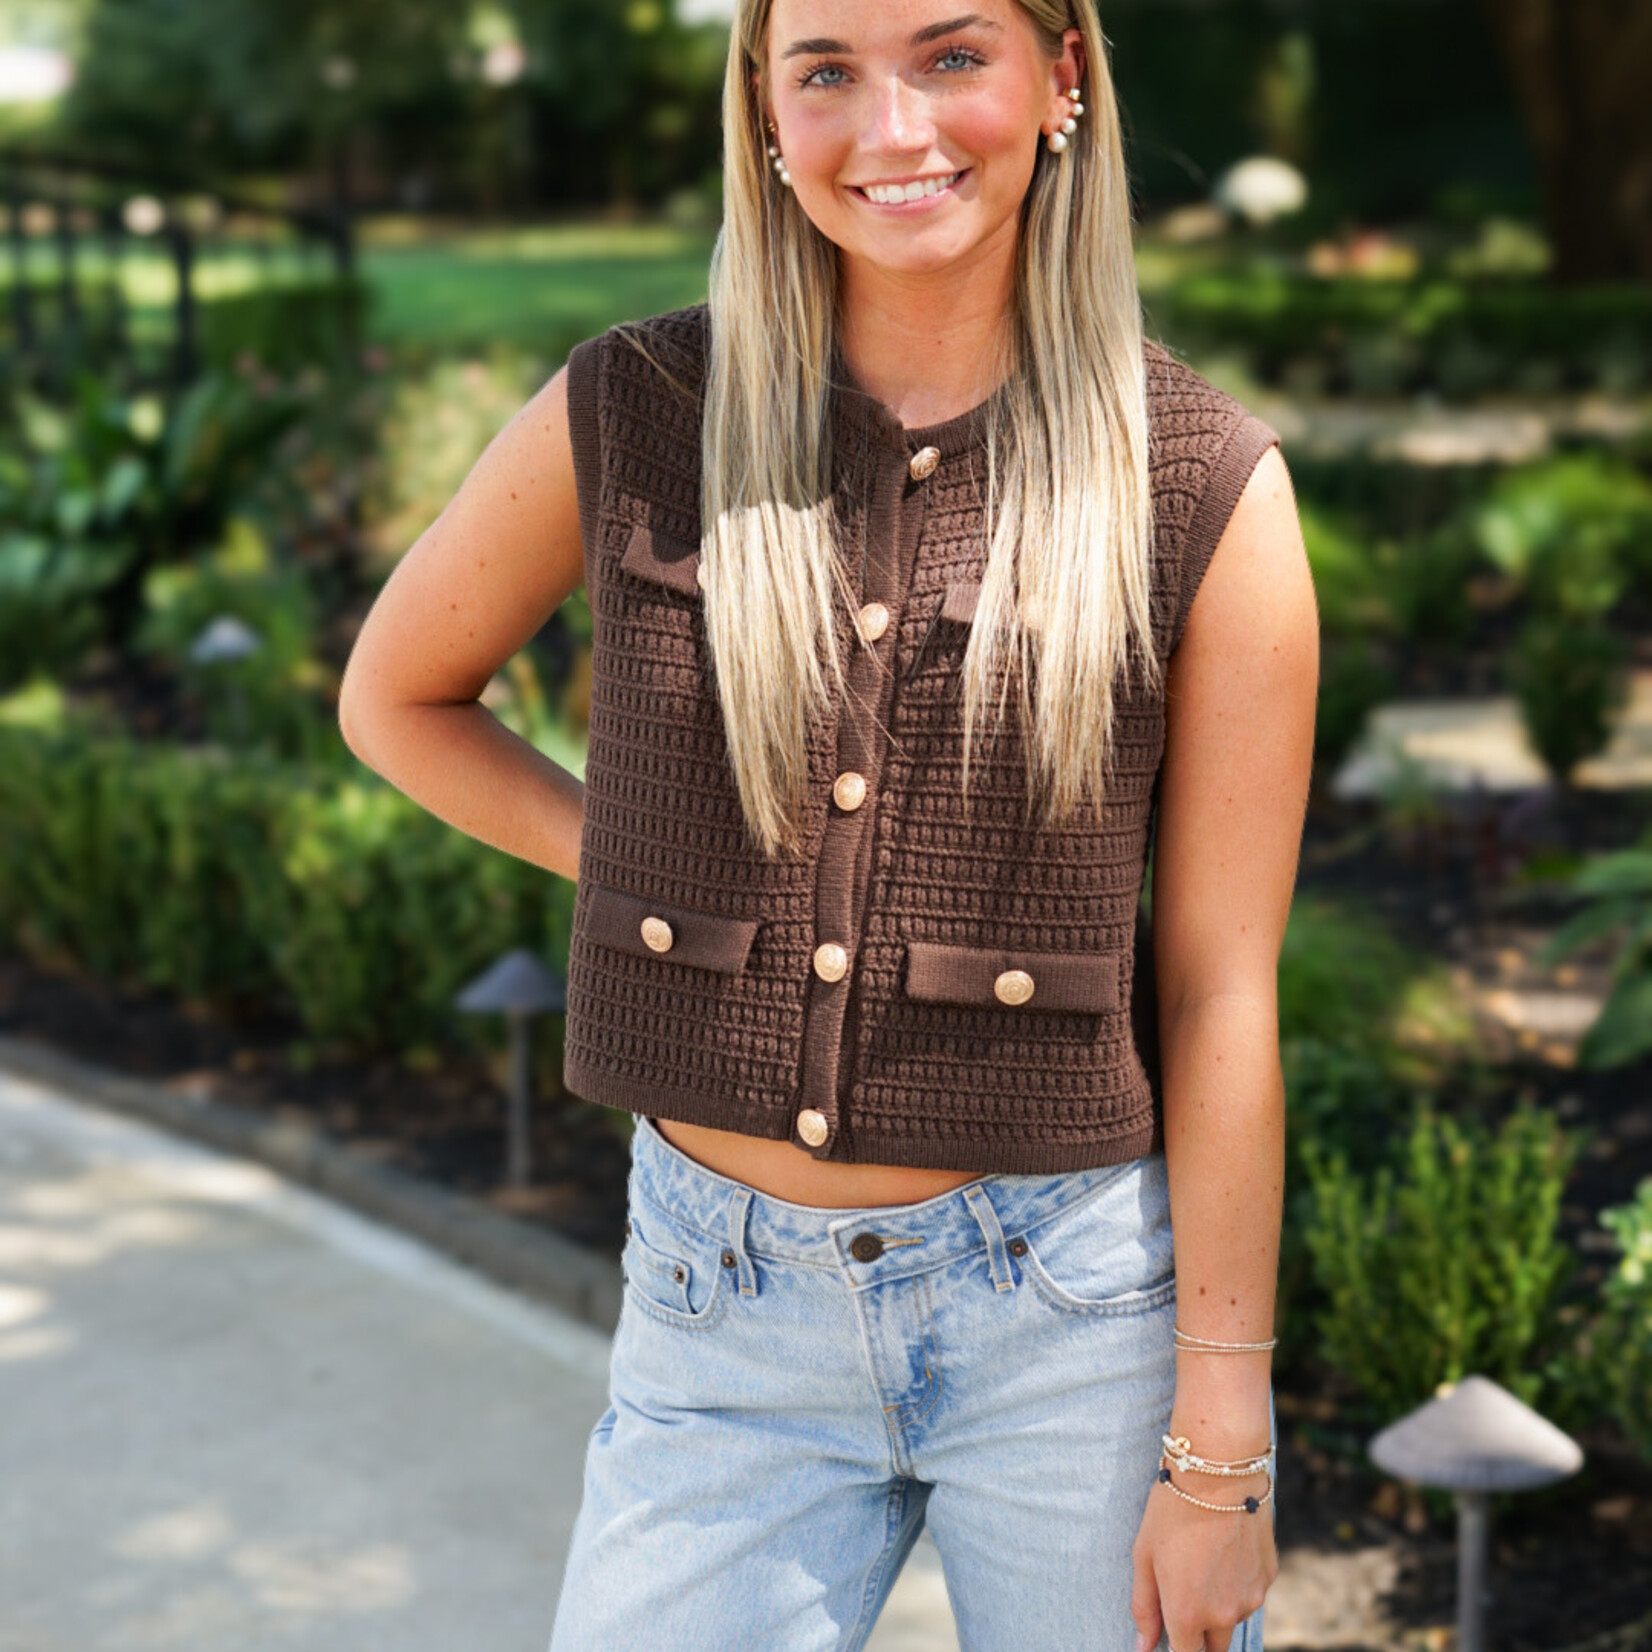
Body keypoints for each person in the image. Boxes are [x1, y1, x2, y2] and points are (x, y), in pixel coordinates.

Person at [338, 0, 1318, 1647]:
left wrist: (1221, 1454)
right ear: (763, 113)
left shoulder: (1202, 486)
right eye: (826, 71)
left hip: (1072, 1317)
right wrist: (637, 857)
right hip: (720, 1318)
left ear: (1062, 74)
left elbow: (1224, 993)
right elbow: (396, 699)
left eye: (952, 55)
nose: (894, 130)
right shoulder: (636, 408)